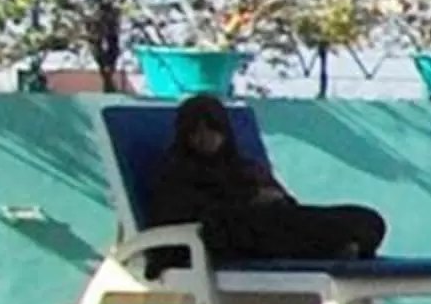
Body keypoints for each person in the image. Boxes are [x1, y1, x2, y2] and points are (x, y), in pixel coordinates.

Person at [147, 93, 387, 265]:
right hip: (236, 238)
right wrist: (247, 200)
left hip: (275, 223)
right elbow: (195, 216)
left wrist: (269, 197)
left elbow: (287, 204)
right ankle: (338, 246)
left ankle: (344, 245)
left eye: (211, 129)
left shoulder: (242, 168)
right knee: (274, 226)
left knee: (367, 219)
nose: (204, 138)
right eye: (195, 132)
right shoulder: (178, 173)